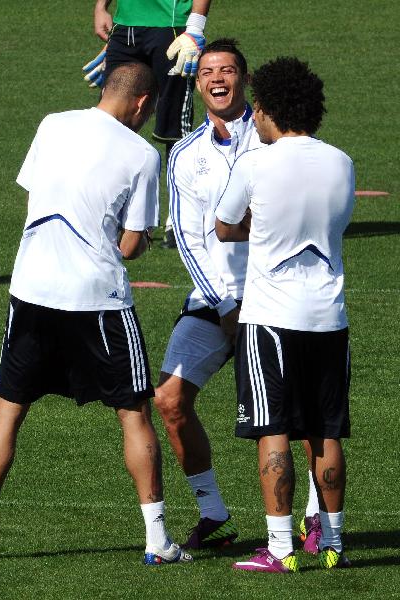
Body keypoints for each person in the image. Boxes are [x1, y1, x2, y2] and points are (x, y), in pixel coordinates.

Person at [0, 62, 192, 567]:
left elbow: (35, 194)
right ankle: (156, 541)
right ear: (144, 104)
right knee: (134, 414)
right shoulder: (143, 155)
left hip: (32, 289)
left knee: (8, 411)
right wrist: (138, 238)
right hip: (97, 300)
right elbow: (130, 246)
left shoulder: (52, 124)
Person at [155, 39, 320, 551]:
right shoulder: (185, 154)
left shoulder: (276, 140)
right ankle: (214, 513)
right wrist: (225, 306)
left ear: (245, 81)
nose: (217, 78)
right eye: (207, 71)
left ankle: (316, 517)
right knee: (169, 400)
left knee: (302, 411)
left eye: (227, 69)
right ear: (197, 83)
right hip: (215, 302)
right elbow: (187, 236)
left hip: (277, 298)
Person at [215, 56, 355, 572]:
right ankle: (333, 542)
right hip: (329, 317)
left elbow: (225, 227)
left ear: (268, 108)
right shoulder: (342, 161)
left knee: (272, 429)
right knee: (327, 429)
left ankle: (279, 548)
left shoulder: (255, 162)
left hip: (271, 316)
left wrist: (262, 224)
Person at [83, 0, 212, 248]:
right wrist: (101, 8)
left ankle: (179, 219)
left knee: (174, 129)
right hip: (125, 29)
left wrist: (195, 27)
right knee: (110, 122)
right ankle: (105, 210)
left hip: (171, 28)